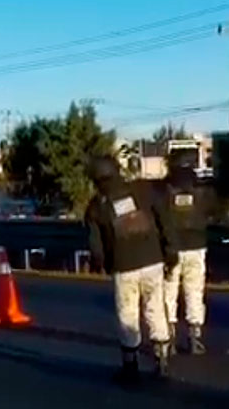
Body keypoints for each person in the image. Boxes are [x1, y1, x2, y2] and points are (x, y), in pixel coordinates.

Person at [85, 155, 177, 382]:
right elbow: (164, 220)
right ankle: (162, 360)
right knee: (155, 308)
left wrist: (103, 264)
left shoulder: (96, 206)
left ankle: (130, 366)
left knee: (128, 314)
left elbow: (96, 245)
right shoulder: (143, 191)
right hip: (153, 260)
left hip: (123, 266)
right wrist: (170, 251)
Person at [158, 161, 217, 355]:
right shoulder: (202, 194)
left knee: (169, 292)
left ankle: (170, 337)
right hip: (196, 247)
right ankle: (195, 337)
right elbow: (211, 213)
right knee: (194, 292)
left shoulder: (165, 194)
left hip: (172, 248)